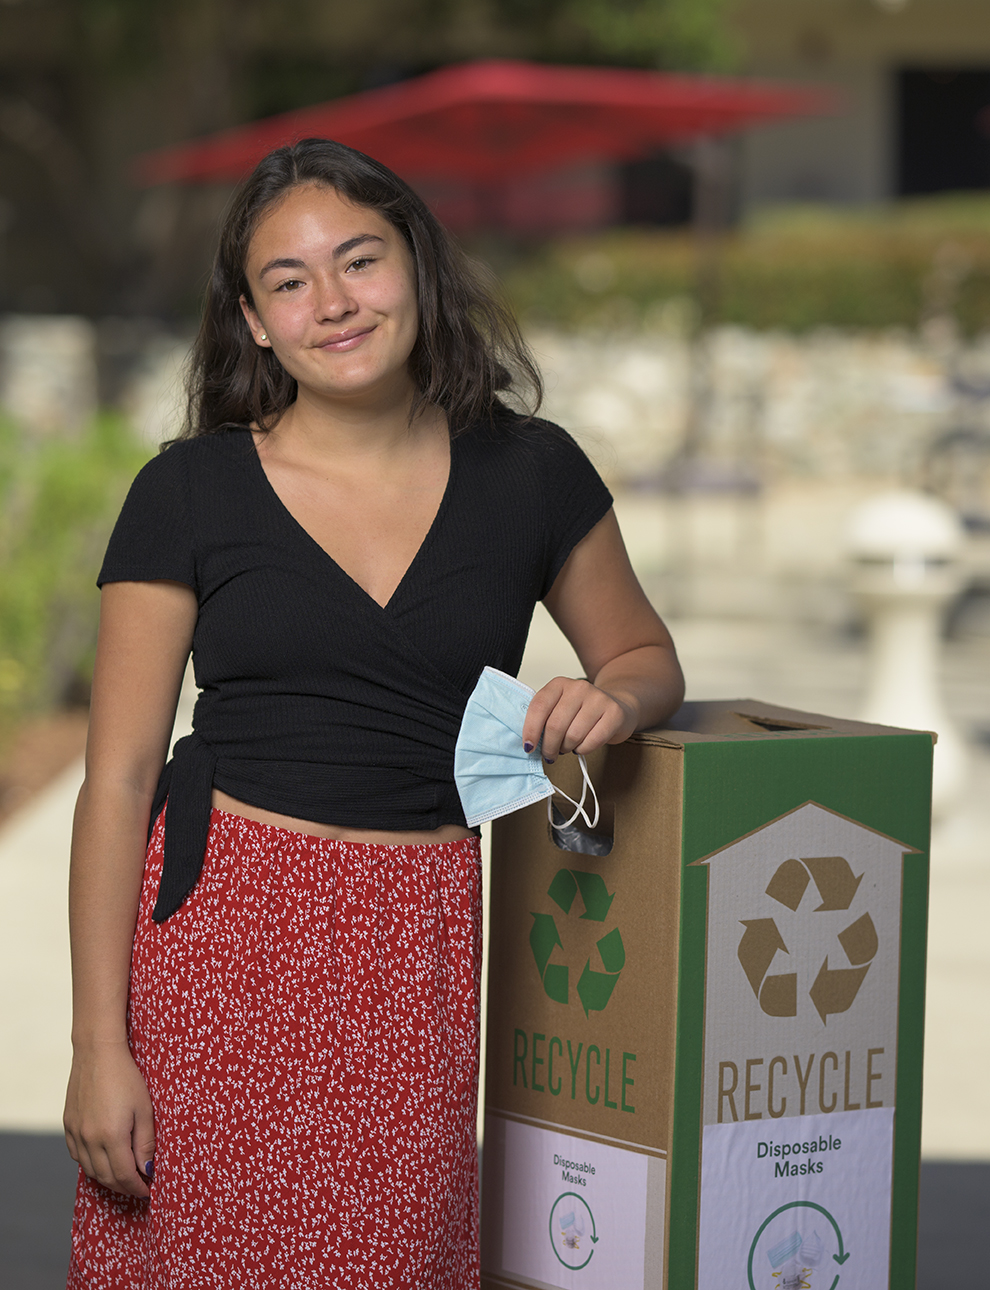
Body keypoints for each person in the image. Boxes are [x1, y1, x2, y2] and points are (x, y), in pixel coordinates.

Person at [62, 137, 684, 1289]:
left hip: (418, 942)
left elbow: (645, 653)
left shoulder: (532, 472)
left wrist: (610, 698)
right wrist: (100, 1045)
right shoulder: (186, 492)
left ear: (419, 267)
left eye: (360, 261)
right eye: (289, 282)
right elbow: (117, 779)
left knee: (393, 1260)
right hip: (219, 945)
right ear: (252, 320)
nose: (333, 303)